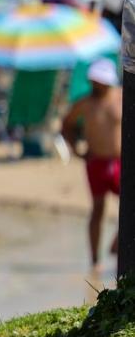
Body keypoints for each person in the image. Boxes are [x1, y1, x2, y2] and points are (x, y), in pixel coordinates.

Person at [60, 59, 123, 268]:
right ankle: (94, 260)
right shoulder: (84, 103)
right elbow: (66, 124)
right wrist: (76, 150)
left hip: (119, 161)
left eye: (100, 82)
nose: (97, 85)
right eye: (94, 81)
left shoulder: (121, 98)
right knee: (97, 209)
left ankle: (116, 244)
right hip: (95, 161)